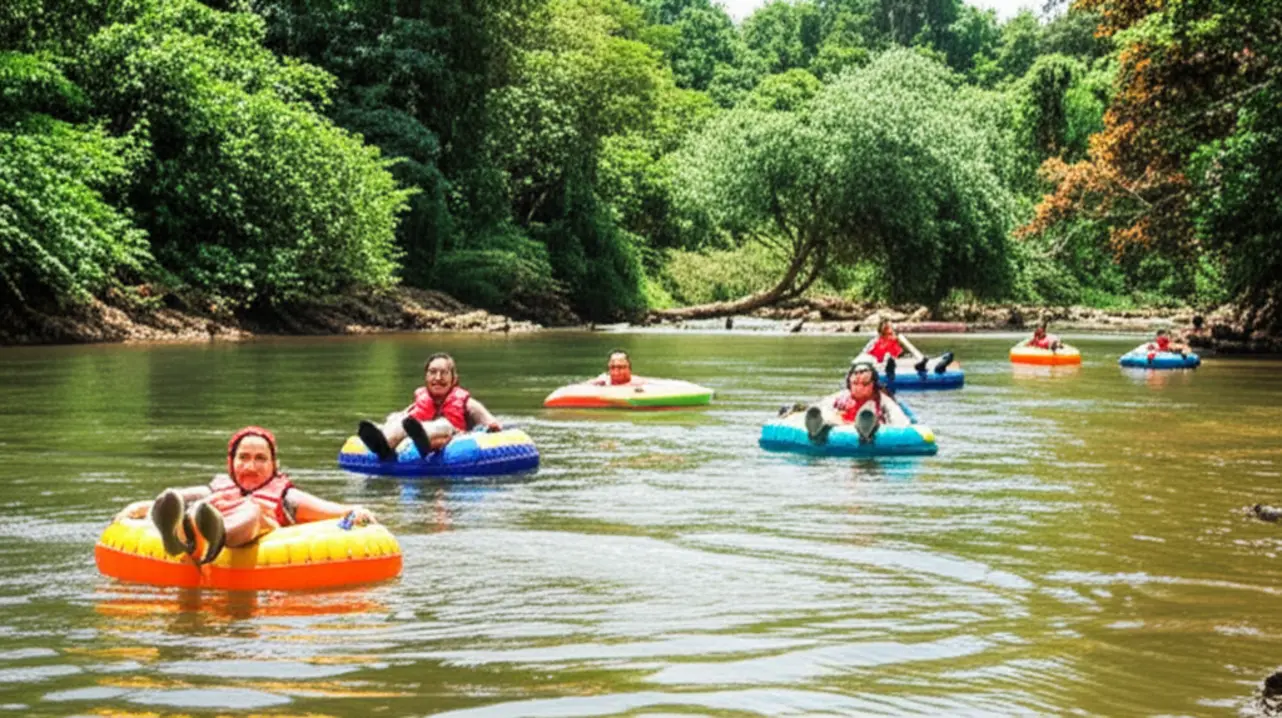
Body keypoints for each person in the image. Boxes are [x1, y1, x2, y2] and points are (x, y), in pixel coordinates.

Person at [113, 427, 377, 565]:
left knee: (253, 511)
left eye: (260, 459)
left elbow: (338, 511)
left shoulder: (289, 499)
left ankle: (217, 535)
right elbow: (171, 500)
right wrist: (140, 507)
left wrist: (356, 513)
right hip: (208, 528)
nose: (250, 467)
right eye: (244, 458)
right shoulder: (215, 489)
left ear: (274, 465)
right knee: (196, 507)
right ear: (231, 463)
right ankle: (180, 538)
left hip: (252, 530)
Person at [356, 353, 502, 461]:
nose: (438, 378)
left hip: (450, 437)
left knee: (443, 424)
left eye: (444, 373)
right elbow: (403, 419)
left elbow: (494, 426)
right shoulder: (420, 401)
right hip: (418, 435)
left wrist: (480, 433)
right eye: (432, 372)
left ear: (454, 379)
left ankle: (425, 440)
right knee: (399, 420)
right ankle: (383, 446)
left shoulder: (467, 403)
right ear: (426, 377)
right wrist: (392, 420)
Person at [801, 354, 912, 445]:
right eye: (855, 383)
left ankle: (865, 428)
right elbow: (820, 406)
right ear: (849, 383)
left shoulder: (882, 399)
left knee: (869, 410)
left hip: (870, 425)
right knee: (827, 413)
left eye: (865, 384)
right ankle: (817, 428)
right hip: (841, 424)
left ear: (873, 384)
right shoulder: (841, 397)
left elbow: (900, 419)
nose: (859, 388)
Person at [861, 319, 954, 382]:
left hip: (896, 364)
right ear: (881, 332)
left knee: (910, 360)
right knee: (889, 360)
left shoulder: (895, 340)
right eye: (887, 330)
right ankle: (923, 365)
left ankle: (935, 364)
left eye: (891, 329)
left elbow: (912, 351)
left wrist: (921, 359)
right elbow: (865, 356)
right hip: (881, 365)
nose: (891, 332)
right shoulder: (875, 341)